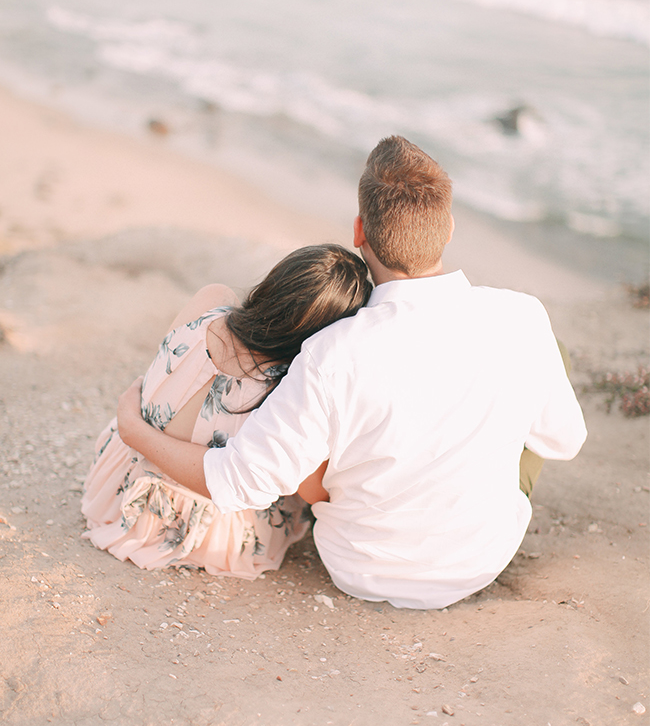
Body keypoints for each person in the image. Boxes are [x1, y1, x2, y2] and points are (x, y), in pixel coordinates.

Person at [117, 136, 587, 609]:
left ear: (360, 231)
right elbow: (563, 442)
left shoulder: (328, 353)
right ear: (448, 229)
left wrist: (134, 432)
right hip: (481, 561)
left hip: (362, 569)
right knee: (550, 355)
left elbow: (238, 481)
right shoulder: (521, 316)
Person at [81, 244, 372, 577]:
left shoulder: (210, 302)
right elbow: (312, 491)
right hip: (202, 533)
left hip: (117, 492)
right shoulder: (289, 390)